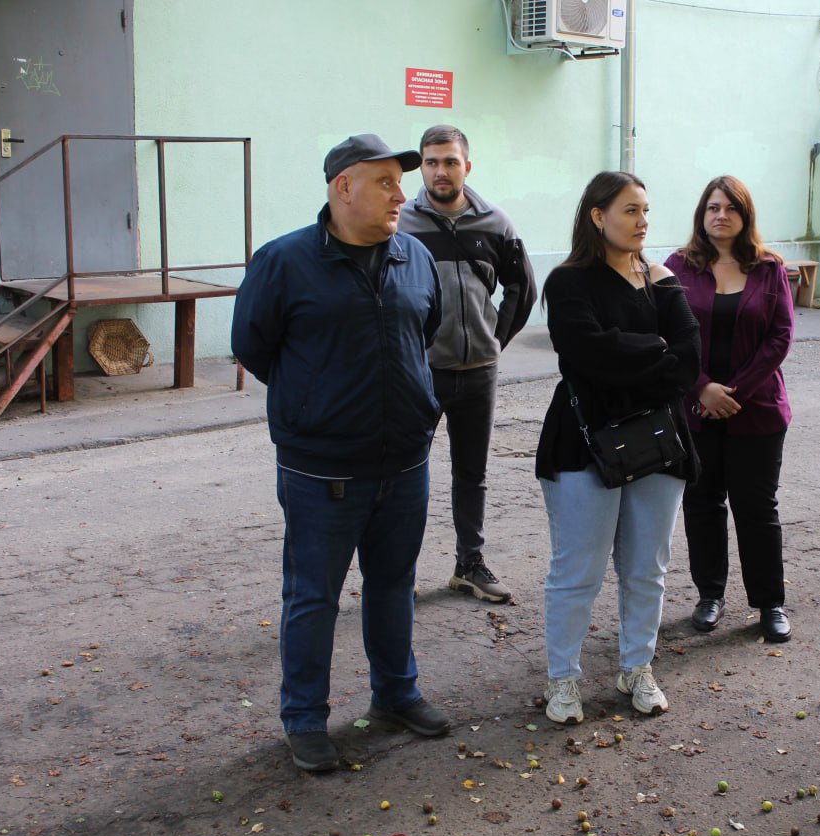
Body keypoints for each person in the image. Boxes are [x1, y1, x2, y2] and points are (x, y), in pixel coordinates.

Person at [231, 133, 451, 772]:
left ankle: (396, 694)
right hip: (320, 468)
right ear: (342, 187)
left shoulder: (412, 256)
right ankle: (304, 717)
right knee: (312, 596)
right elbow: (254, 347)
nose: (399, 194)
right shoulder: (283, 262)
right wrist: (319, 398)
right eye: (384, 182)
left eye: (398, 182)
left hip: (405, 460)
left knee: (393, 585)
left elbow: (424, 330)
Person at [535, 171, 700, 724]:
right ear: (597, 216)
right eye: (629, 210)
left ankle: (637, 667)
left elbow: (690, 362)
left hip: (658, 440)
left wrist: (632, 356)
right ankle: (564, 680)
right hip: (585, 443)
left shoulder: (663, 280)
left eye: (646, 210)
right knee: (578, 569)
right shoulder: (568, 282)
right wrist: (656, 351)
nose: (642, 221)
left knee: (647, 567)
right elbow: (587, 357)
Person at [399, 125, 537, 604]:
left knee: (471, 474)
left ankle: (469, 565)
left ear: (466, 167)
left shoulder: (494, 223)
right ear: (422, 165)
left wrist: (493, 340)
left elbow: (522, 286)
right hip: (420, 373)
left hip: (478, 372)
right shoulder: (403, 225)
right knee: (403, 471)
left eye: (450, 161)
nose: (441, 171)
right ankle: (398, 573)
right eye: (432, 161)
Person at [665, 176, 795, 643]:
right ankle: (710, 596)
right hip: (695, 410)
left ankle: (769, 603)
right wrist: (702, 389)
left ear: (745, 216)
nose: (721, 215)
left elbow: (780, 337)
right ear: (702, 214)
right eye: (713, 207)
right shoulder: (677, 268)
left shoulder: (768, 268)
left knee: (757, 508)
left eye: (731, 208)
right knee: (702, 504)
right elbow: (666, 338)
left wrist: (732, 392)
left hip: (756, 410)